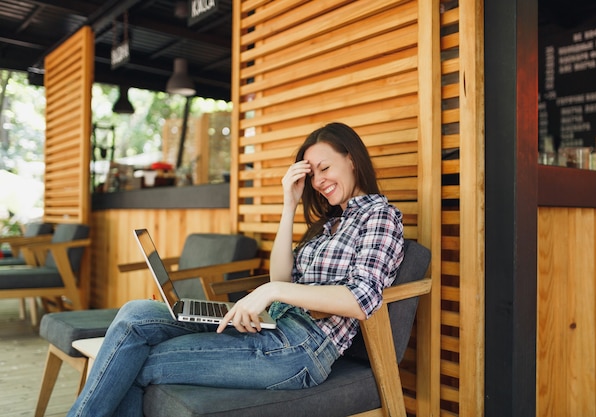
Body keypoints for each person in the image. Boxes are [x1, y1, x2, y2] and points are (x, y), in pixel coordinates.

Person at [67, 122, 405, 417]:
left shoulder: (380, 216)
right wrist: (289, 204)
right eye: (311, 173)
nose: (318, 181)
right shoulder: (330, 223)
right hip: (273, 326)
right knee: (136, 312)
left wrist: (271, 293)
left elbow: (362, 299)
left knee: (137, 362)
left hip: (300, 349)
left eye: (324, 168)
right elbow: (282, 279)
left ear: (351, 159)